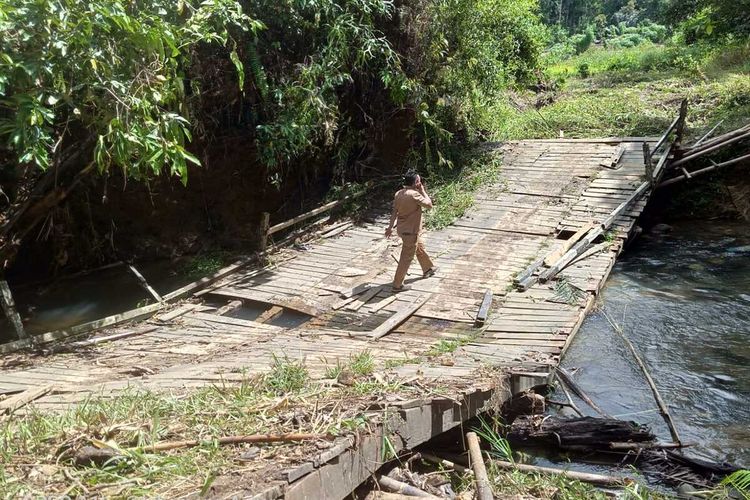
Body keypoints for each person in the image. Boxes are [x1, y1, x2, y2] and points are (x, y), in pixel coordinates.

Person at [385, 170, 438, 291]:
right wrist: (423, 190)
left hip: (403, 229)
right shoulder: (414, 195)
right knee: (406, 257)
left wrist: (389, 227)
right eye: (419, 181)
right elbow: (429, 205)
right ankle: (397, 285)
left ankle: (428, 268)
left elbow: (394, 213)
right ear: (416, 183)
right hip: (411, 231)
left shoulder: (399, 193)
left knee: (418, 246)